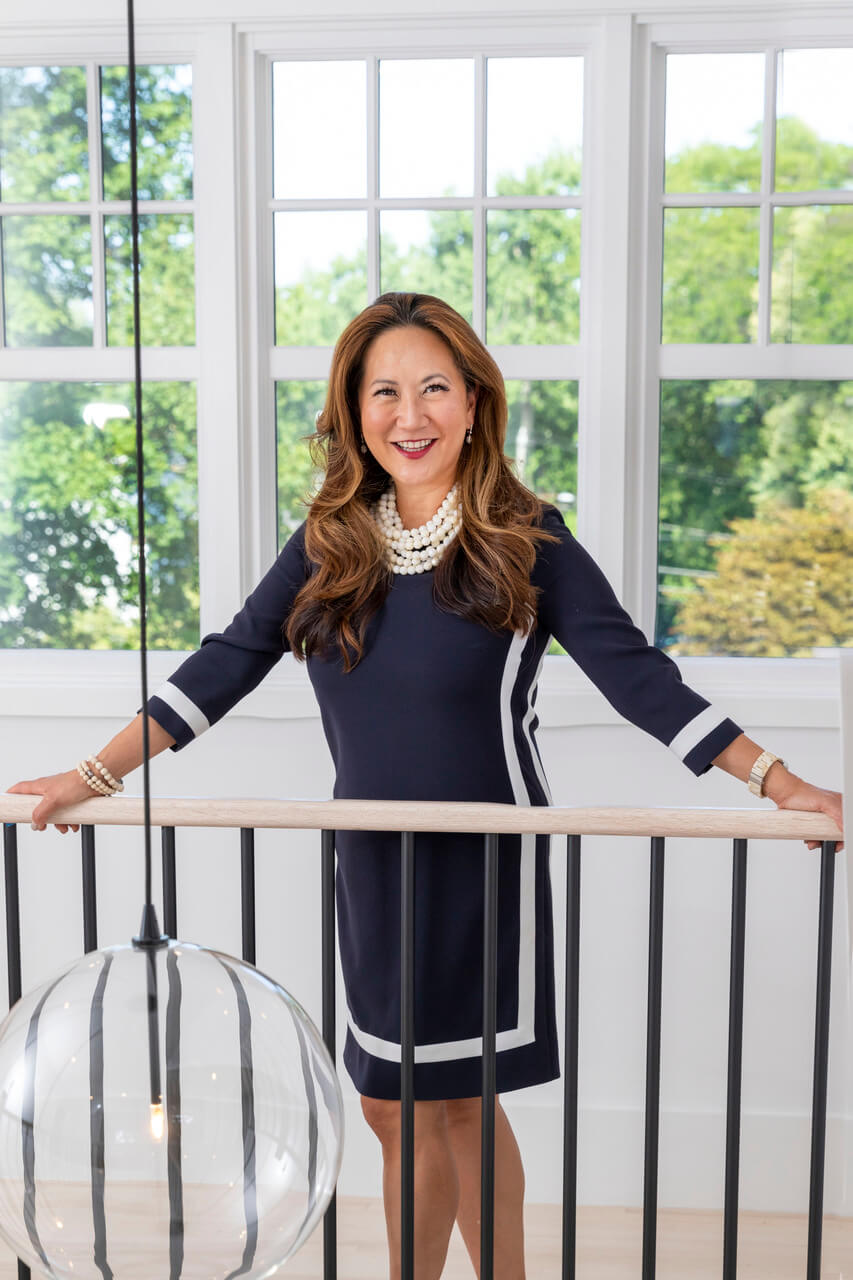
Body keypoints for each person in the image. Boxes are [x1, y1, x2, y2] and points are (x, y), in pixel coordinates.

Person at [11, 292, 843, 1280]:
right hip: (369, 858)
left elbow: (636, 675)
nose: (411, 415)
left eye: (435, 388)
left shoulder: (526, 535)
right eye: (386, 391)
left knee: (450, 1096)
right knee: (387, 1098)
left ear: (476, 401)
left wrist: (780, 783)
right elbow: (227, 661)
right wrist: (92, 773)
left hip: (479, 858)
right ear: (354, 409)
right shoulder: (331, 538)